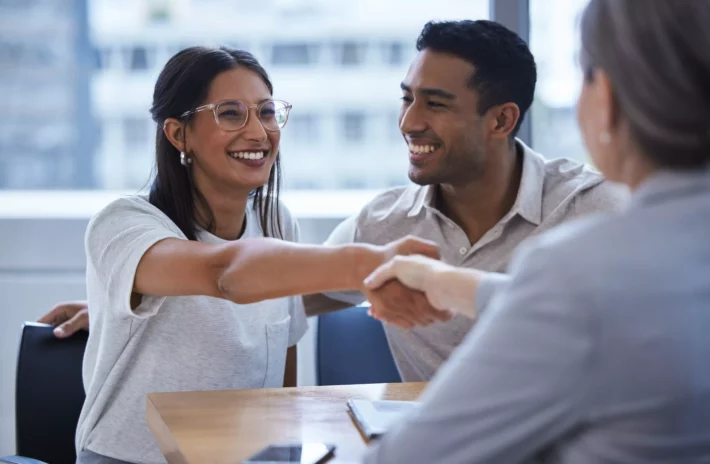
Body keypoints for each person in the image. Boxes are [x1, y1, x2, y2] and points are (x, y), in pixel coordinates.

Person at [41, 20, 627, 381]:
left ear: (502, 120)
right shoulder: (384, 223)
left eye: (436, 104)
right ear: (178, 133)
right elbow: (261, 283)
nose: (408, 121)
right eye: (406, 98)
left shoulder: (600, 211)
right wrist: (134, 301)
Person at [361, 0, 710, 462]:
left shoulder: (581, 259)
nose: (409, 121)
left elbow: (404, 458)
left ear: (603, 96)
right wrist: (438, 280)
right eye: (407, 98)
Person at [73, 46, 439, 464]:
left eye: (266, 112)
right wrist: (368, 263)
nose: (259, 132)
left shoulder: (277, 222)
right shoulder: (123, 223)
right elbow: (223, 274)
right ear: (178, 133)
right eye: (230, 113)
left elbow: (279, 378)